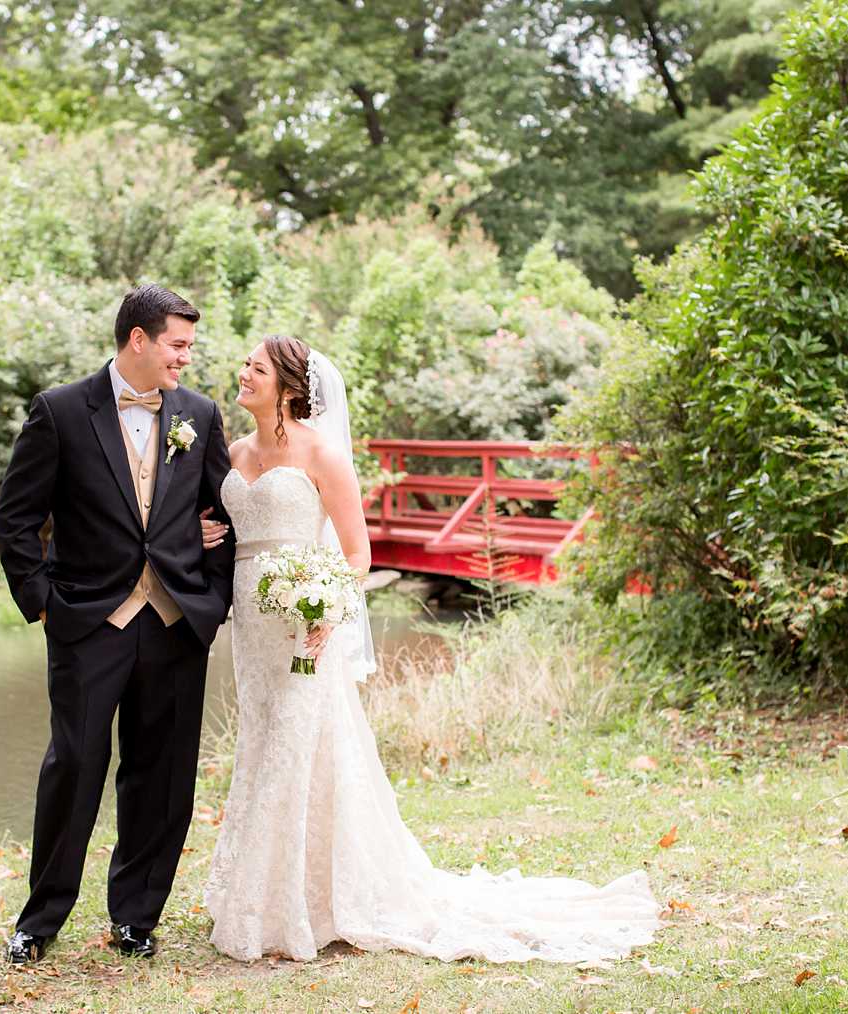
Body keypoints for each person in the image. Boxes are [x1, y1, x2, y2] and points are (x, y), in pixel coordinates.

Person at [197, 335, 660, 963]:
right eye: (245, 365)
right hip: (251, 621)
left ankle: (306, 905)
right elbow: (230, 533)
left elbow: (358, 554)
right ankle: (259, 898)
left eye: (256, 367)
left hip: (304, 621)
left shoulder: (323, 454)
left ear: (288, 385)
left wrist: (326, 608)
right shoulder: (234, 451)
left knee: (300, 743)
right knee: (261, 740)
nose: (243, 374)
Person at [0, 284, 235, 964]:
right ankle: (39, 922)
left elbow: (227, 512)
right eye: (177, 345)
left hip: (176, 622)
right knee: (73, 766)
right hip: (89, 622)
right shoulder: (62, 411)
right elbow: (16, 516)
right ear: (138, 340)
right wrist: (40, 598)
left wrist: (211, 598)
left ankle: (136, 917)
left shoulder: (200, 414)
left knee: (162, 777)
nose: (186, 358)